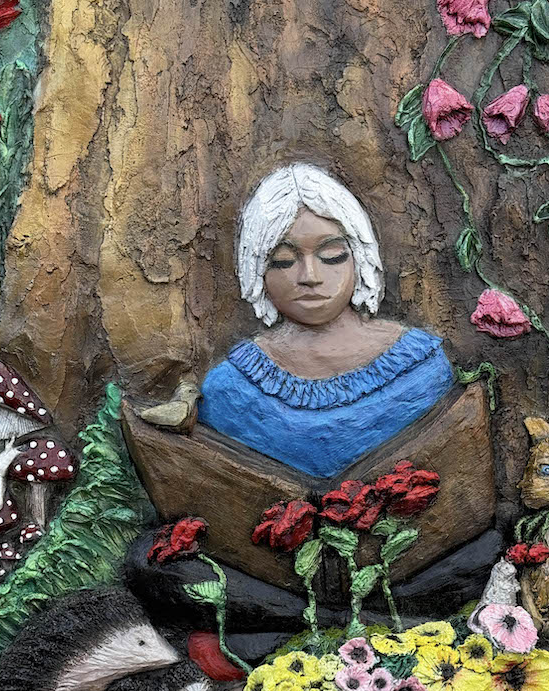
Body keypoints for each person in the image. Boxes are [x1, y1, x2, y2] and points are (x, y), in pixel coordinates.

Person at [142, 162, 455, 478]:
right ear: (257, 271)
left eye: (332, 256)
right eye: (284, 261)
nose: (310, 276)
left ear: (360, 257)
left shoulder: (421, 369)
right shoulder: (231, 389)